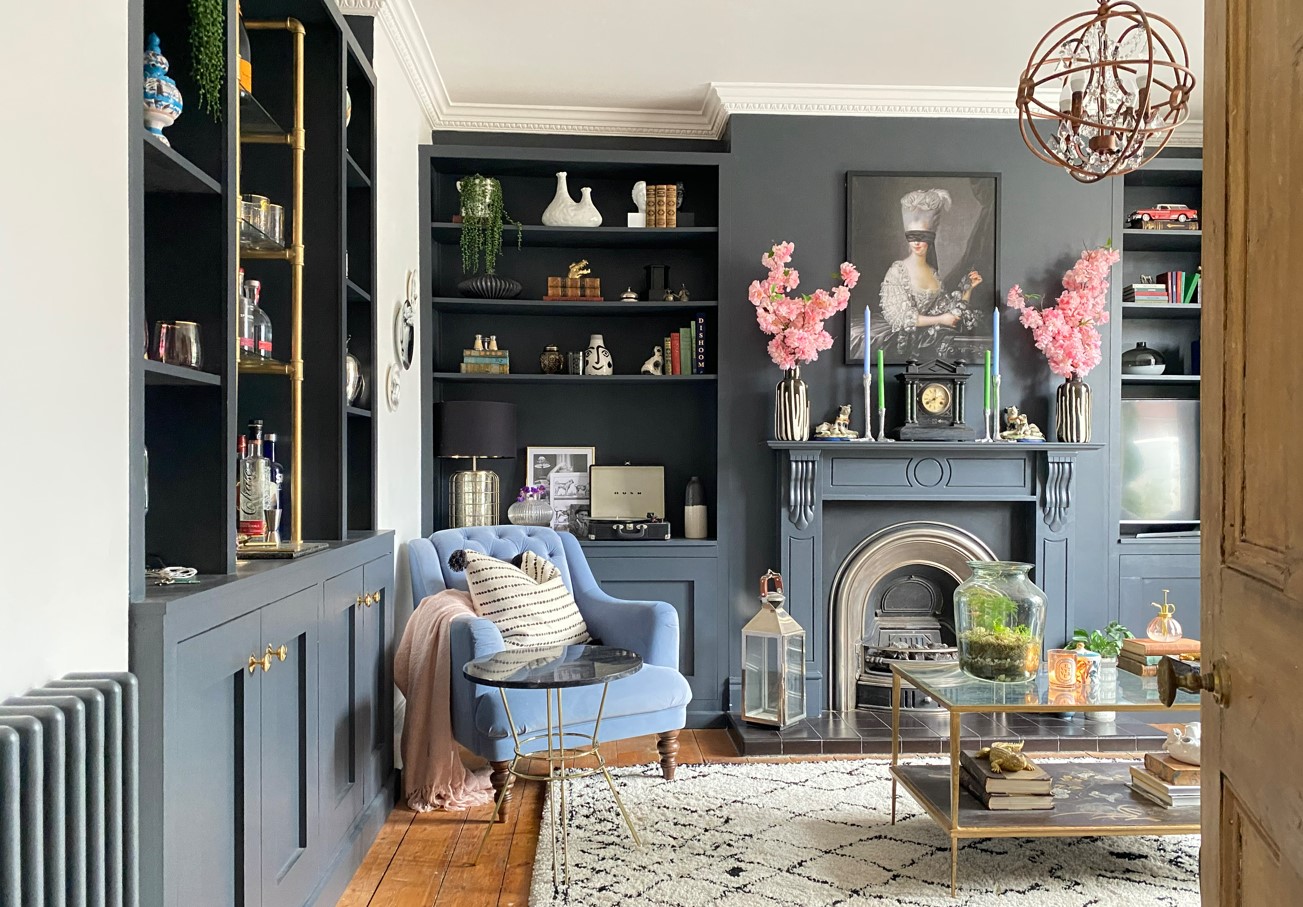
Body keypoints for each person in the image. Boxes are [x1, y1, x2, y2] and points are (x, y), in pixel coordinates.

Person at [873, 188, 983, 360]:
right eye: (911, 236)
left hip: (928, 339)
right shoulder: (897, 271)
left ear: (931, 237)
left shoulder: (933, 273)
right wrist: (941, 320)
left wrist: (968, 289)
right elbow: (900, 317)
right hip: (900, 339)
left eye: (922, 236)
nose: (916, 242)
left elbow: (950, 314)